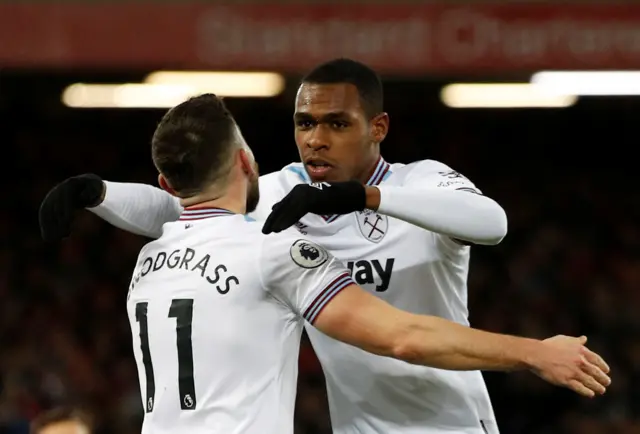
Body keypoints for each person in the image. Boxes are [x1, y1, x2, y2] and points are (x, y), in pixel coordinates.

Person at [39, 61, 609, 434]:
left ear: (378, 126)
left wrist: (364, 198)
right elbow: (192, 210)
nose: (316, 138)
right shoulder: (286, 193)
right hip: (355, 425)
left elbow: (492, 223)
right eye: (305, 122)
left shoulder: (422, 183)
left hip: (449, 422)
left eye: (337, 123)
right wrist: (99, 192)